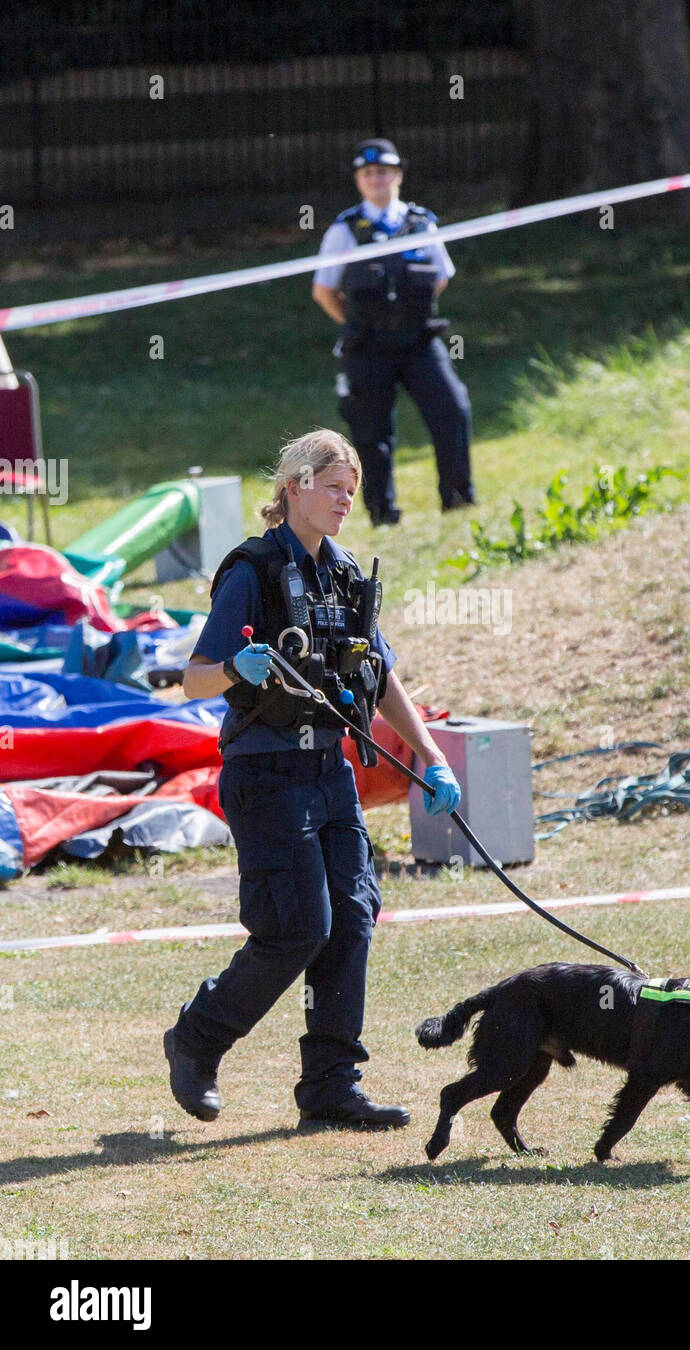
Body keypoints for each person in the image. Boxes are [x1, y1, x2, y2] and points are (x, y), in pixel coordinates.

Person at [165, 429, 462, 1132]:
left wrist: (430, 755)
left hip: (329, 769)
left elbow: (380, 675)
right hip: (265, 772)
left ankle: (330, 1085)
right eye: (332, 488)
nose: (343, 503)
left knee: (352, 919)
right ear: (293, 486)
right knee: (298, 926)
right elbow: (191, 681)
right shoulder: (252, 571)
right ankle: (197, 1038)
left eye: (351, 493)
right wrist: (239, 669)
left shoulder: (347, 573)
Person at [312, 137, 476, 526]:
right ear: (358, 181)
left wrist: (406, 314)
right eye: (367, 173)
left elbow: (441, 277)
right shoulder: (345, 230)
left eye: (383, 171)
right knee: (371, 432)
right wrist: (358, 323)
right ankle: (383, 514)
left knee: (453, 410)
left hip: (419, 341)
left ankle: (458, 500)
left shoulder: (421, 223)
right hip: (368, 346)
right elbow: (323, 291)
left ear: (398, 175)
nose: (376, 179)